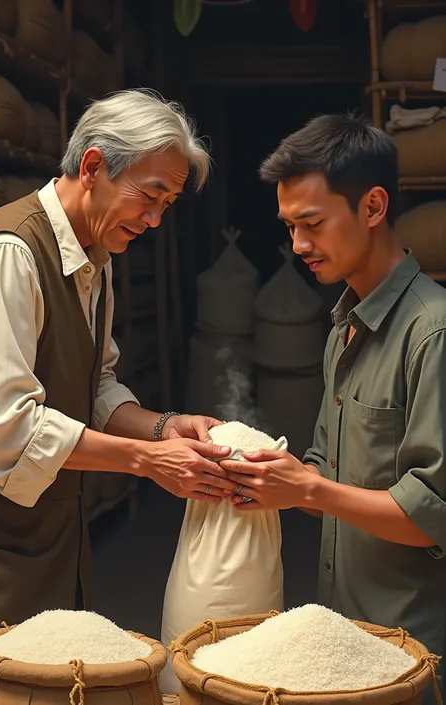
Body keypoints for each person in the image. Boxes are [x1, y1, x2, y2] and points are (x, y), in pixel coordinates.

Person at [0, 90, 237, 627]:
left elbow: (94, 387)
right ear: (93, 166)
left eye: (167, 205)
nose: (155, 220)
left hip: (56, 530)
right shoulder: (12, 253)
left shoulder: (95, 253)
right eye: (150, 196)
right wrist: (147, 461)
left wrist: (164, 428)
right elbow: (2, 427)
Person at [221, 113, 446, 701]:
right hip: (346, 639)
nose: (297, 246)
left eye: (312, 224)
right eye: (289, 226)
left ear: (373, 207)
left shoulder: (433, 333)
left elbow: (432, 514)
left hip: (414, 653)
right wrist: (259, 474)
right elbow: (324, 472)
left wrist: (306, 490)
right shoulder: (343, 327)